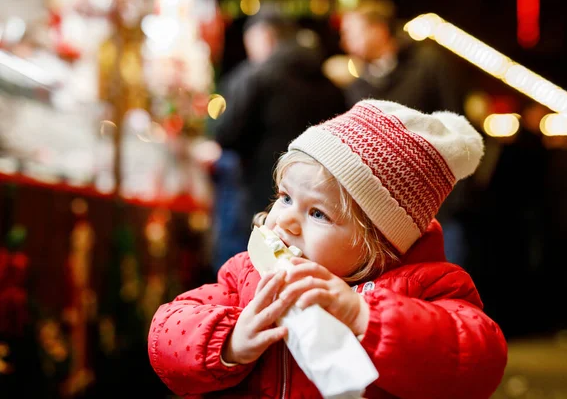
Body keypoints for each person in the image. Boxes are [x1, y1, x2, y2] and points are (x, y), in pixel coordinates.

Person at [148, 99, 508, 398]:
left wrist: (363, 316)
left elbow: (476, 361)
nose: (286, 221)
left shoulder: (430, 287)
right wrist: (229, 343)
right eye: (286, 197)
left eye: (317, 213)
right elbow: (166, 333)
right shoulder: (248, 277)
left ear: (378, 243)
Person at [208, 8, 347, 275]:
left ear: (266, 37)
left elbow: (227, 134)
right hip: (318, 210)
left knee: (249, 269)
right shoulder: (329, 84)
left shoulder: (258, 76)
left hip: (260, 195)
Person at [339, 0, 472, 266]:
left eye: (351, 33)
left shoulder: (428, 63)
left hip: (440, 201)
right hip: (387, 210)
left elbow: (458, 124)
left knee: (446, 282)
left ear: (378, 30)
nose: (344, 43)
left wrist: (456, 198)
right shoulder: (358, 82)